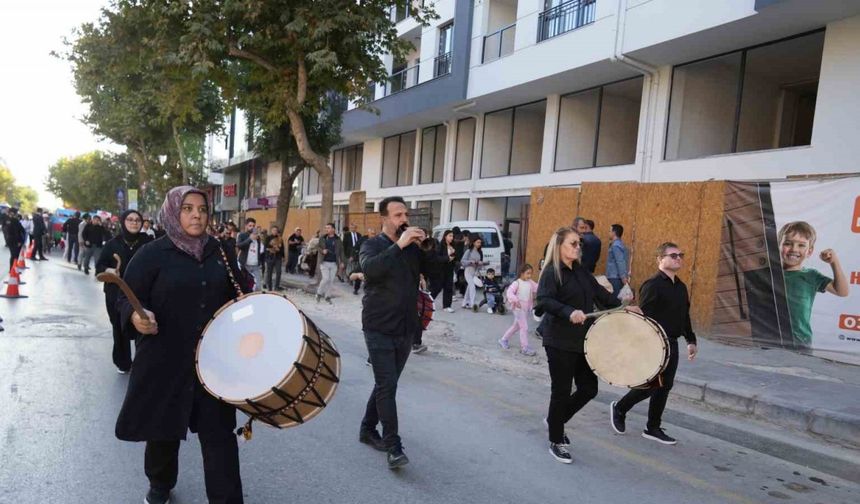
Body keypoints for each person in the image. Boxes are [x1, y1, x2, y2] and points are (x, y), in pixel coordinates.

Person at [115, 186, 246, 504]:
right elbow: (125, 298)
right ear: (174, 212)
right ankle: (160, 484)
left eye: (202, 209)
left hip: (214, 362)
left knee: (219, 436)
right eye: (187, 208)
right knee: (163, 430)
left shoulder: (221, 251)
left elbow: (238, 294)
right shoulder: (152, 254)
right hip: (165, 360)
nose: (196, 215)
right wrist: (136, 317)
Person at [536, 226, 641, 464]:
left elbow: (601, 296)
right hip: (559, 340)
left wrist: (623, 307)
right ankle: (556, 438)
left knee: (588, 389)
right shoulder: (553, 272)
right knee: (561, 391)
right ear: (560, 246)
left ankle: (556, 419)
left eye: (579, 244)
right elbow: (543, 301)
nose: (577, 247)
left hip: (583, 340)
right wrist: (568, 311)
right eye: (573, 243)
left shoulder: (581, 272)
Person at [359, 196, 432, 470]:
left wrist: (431, 250)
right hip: (378, 326)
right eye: (398, 215)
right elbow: (370, 270)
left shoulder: (413, 248)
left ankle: (367, 428)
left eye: (405, 214)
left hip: (405, 327)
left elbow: (434, 271)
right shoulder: (371, 245)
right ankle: (393, 445)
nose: (404, 219)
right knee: (387, 386)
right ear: (385, 219)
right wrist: (399, 245)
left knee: (385, 384)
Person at [611, 242, 699, 445]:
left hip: (673, 342)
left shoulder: (681, 287)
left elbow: (683, 316)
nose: (678, 258)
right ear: (660, 259)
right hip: (654, 343)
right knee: (652, 385)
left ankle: (652, 427)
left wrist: (691, 340)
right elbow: (644, 317)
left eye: (680, 255)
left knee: (665, 386)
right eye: (673, 255)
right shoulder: (653, 284)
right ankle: (620, 408)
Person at [95, 210, 151, 373]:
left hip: (142, 293)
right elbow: (99, 266)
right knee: (119, 327)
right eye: (130, 220)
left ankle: (143, 363)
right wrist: (109, 270)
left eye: (137, 220)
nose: (134, 223)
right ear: (123, 222)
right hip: (116, 293)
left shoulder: (148, 243)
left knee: (144, 326)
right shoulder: (113, 244)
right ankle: (123, 362)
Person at [776, 221, 849, 348]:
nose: (794, 249)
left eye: (801, 245)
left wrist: (834, 262)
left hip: (799, 343)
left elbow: (842, 291)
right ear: (778, 246)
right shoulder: (768, 274)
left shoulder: (811, 276)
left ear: (809, 251)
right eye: (787, 243)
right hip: (768, 339)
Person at [500, 264, 539, 356]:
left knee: (516, 326)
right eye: (527, 273)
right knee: (524, 327)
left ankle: (503, 340)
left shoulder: (530, 282)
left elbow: (537, 287)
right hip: (518, 309)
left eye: (531, 274)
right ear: (521, 273)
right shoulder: (516, 283)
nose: (529, 276)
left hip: (525, 309)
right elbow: (509, 292)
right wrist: (515, 300)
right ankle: (524, 347)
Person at [315, 223, 345, 304]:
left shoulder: (338, 239)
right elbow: (317, 247)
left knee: (331, 281)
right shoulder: (323, 238)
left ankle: (327, 296)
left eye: (328, 228)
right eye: (326, 228)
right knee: (326, 279)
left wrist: (342, 261)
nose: (326, 229)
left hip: (334, 263)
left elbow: (341, 251)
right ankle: (319, 293)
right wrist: (322, 251)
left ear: (333, 229)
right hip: (324, 262)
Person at [460, 236, 487, 310]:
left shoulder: (479, 252)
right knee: (472, 286)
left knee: (469, 287)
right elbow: (462, 261)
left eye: (480, 242)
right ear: (474, 242)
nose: (479, 244)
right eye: (478, 242)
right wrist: (470, 262)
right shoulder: (469, 251)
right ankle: (472, 304)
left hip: (475, 272)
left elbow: (479, 264)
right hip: (468, 270)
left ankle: (465, 303)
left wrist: (481, 263)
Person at [435, 230, 457, 313]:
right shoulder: (441, 246)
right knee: (437, 287)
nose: (452, 237)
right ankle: (428, 301)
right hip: (441, 270)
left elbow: (456, 257)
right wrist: (447, 258)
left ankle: (447, 306)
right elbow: (437, 258)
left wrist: (454, 254)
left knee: (449, 287)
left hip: (450, 269)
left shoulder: (453, 246)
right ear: (445, 236)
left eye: (452, 236)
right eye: (450, 236)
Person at [605, 223, 630, 297]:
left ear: (614, 232)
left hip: (615, 277)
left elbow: (620, 261)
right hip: (616, 277)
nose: (609, 233)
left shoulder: (616, 246)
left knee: (615, 300)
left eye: (610, 231)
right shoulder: (620, 244)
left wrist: (623, 277)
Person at [343, 223, 363, 294]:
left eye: (354, 227)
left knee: (356, 266)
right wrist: (346, 255)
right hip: (349, 253)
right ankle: (350, 278)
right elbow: (344, 245)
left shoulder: (359, 235)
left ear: (356, 228)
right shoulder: (347, 235)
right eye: (351, 228)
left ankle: (354, 277)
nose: (353, 229)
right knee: (350, 266)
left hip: (357, 253)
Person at [264, 226, 284, 290]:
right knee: (269, 273)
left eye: (276, 230)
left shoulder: (280, 238)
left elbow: (282, 248)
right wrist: (274, 248)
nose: (275, 231)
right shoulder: (268, 238)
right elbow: (266, 247)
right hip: (270, 257)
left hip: (278, 258)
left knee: (279, 272)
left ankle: (276, 287)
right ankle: (269, 287)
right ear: (271, 231)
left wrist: (283, 256)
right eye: (273, 230)